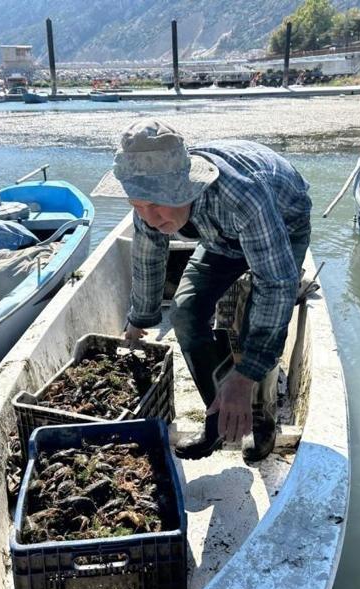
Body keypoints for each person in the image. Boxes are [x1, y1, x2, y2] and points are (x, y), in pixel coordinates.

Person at [91, 119, 311, 462]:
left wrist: (246, 373)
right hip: (221, 238)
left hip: (282, 222)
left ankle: (260, 415)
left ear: (185, 186)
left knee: (260, 320)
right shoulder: (148, 207)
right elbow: (148, 259)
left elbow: (277, 285)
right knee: (184, 311)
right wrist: (140, 318)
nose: (149, 218)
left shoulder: (242, 196)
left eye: (157, 203)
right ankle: (217, 415)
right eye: (138, 205)